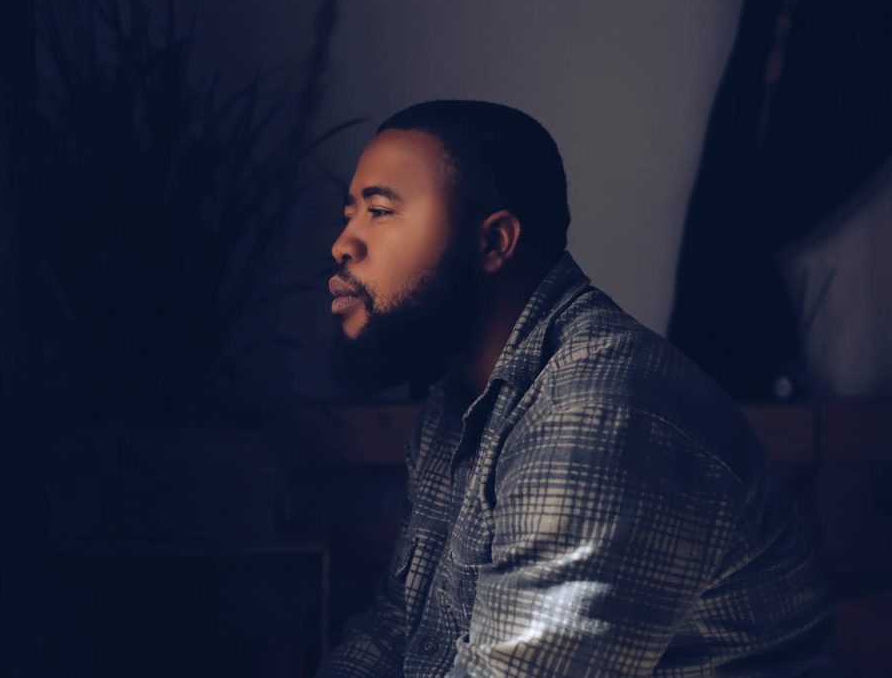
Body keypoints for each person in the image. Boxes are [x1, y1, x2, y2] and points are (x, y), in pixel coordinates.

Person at [320, 100, 835, 676]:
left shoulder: (593, 412)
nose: (344, 244)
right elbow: (398, 626)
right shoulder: (456, 403)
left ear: (494, 243)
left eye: (381, 211)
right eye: (350, 214)